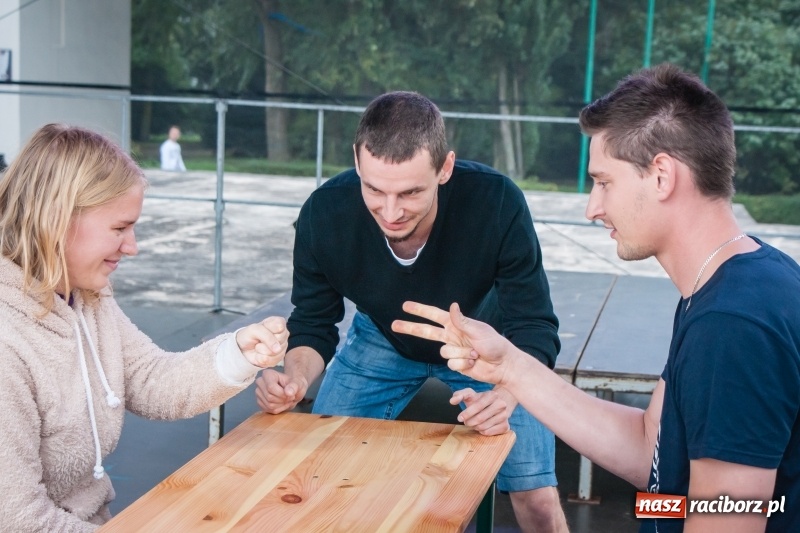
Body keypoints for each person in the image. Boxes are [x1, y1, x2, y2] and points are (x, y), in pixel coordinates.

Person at [392, 63, 800, 533]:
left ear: (662, 176)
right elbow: (653, 449)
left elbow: (732, 517)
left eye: (604, 181)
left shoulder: (733, 325)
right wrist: (511, 368)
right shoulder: (736, 283)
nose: (593, 207)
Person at [255, 91, 568, 532]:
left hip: (485, 343)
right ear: (357, 162)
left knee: (536, 499)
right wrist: (294, 379)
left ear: (445, 168)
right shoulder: (323, 215)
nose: (391, 211)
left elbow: (534, 325)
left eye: (410, 192)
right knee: (320, 469)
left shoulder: (496, 202)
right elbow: (312, 322)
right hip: (381, 336)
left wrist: (509, 393)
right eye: (374, 189)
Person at [0, 124, 289, 532]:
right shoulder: (6, 343)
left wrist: (239, 352)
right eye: (119, 228)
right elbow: (18, 521)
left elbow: (154, 381)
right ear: (56, 219)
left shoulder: (85, 298)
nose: (132, 246)